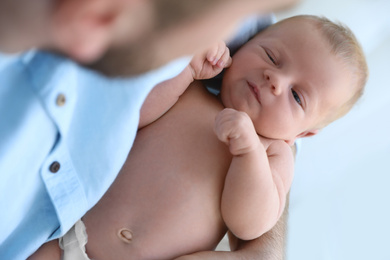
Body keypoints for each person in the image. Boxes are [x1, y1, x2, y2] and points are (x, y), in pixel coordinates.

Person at [29, 15, 368, 260]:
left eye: (296, 96)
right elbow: (131, 120)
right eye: (271, 56)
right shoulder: (191, 92)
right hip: (70, 230)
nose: (275, 80)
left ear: (304, 133)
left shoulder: (272, 155)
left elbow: (249, 224)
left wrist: (248, 152)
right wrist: (186, 72)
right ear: (248, 41)